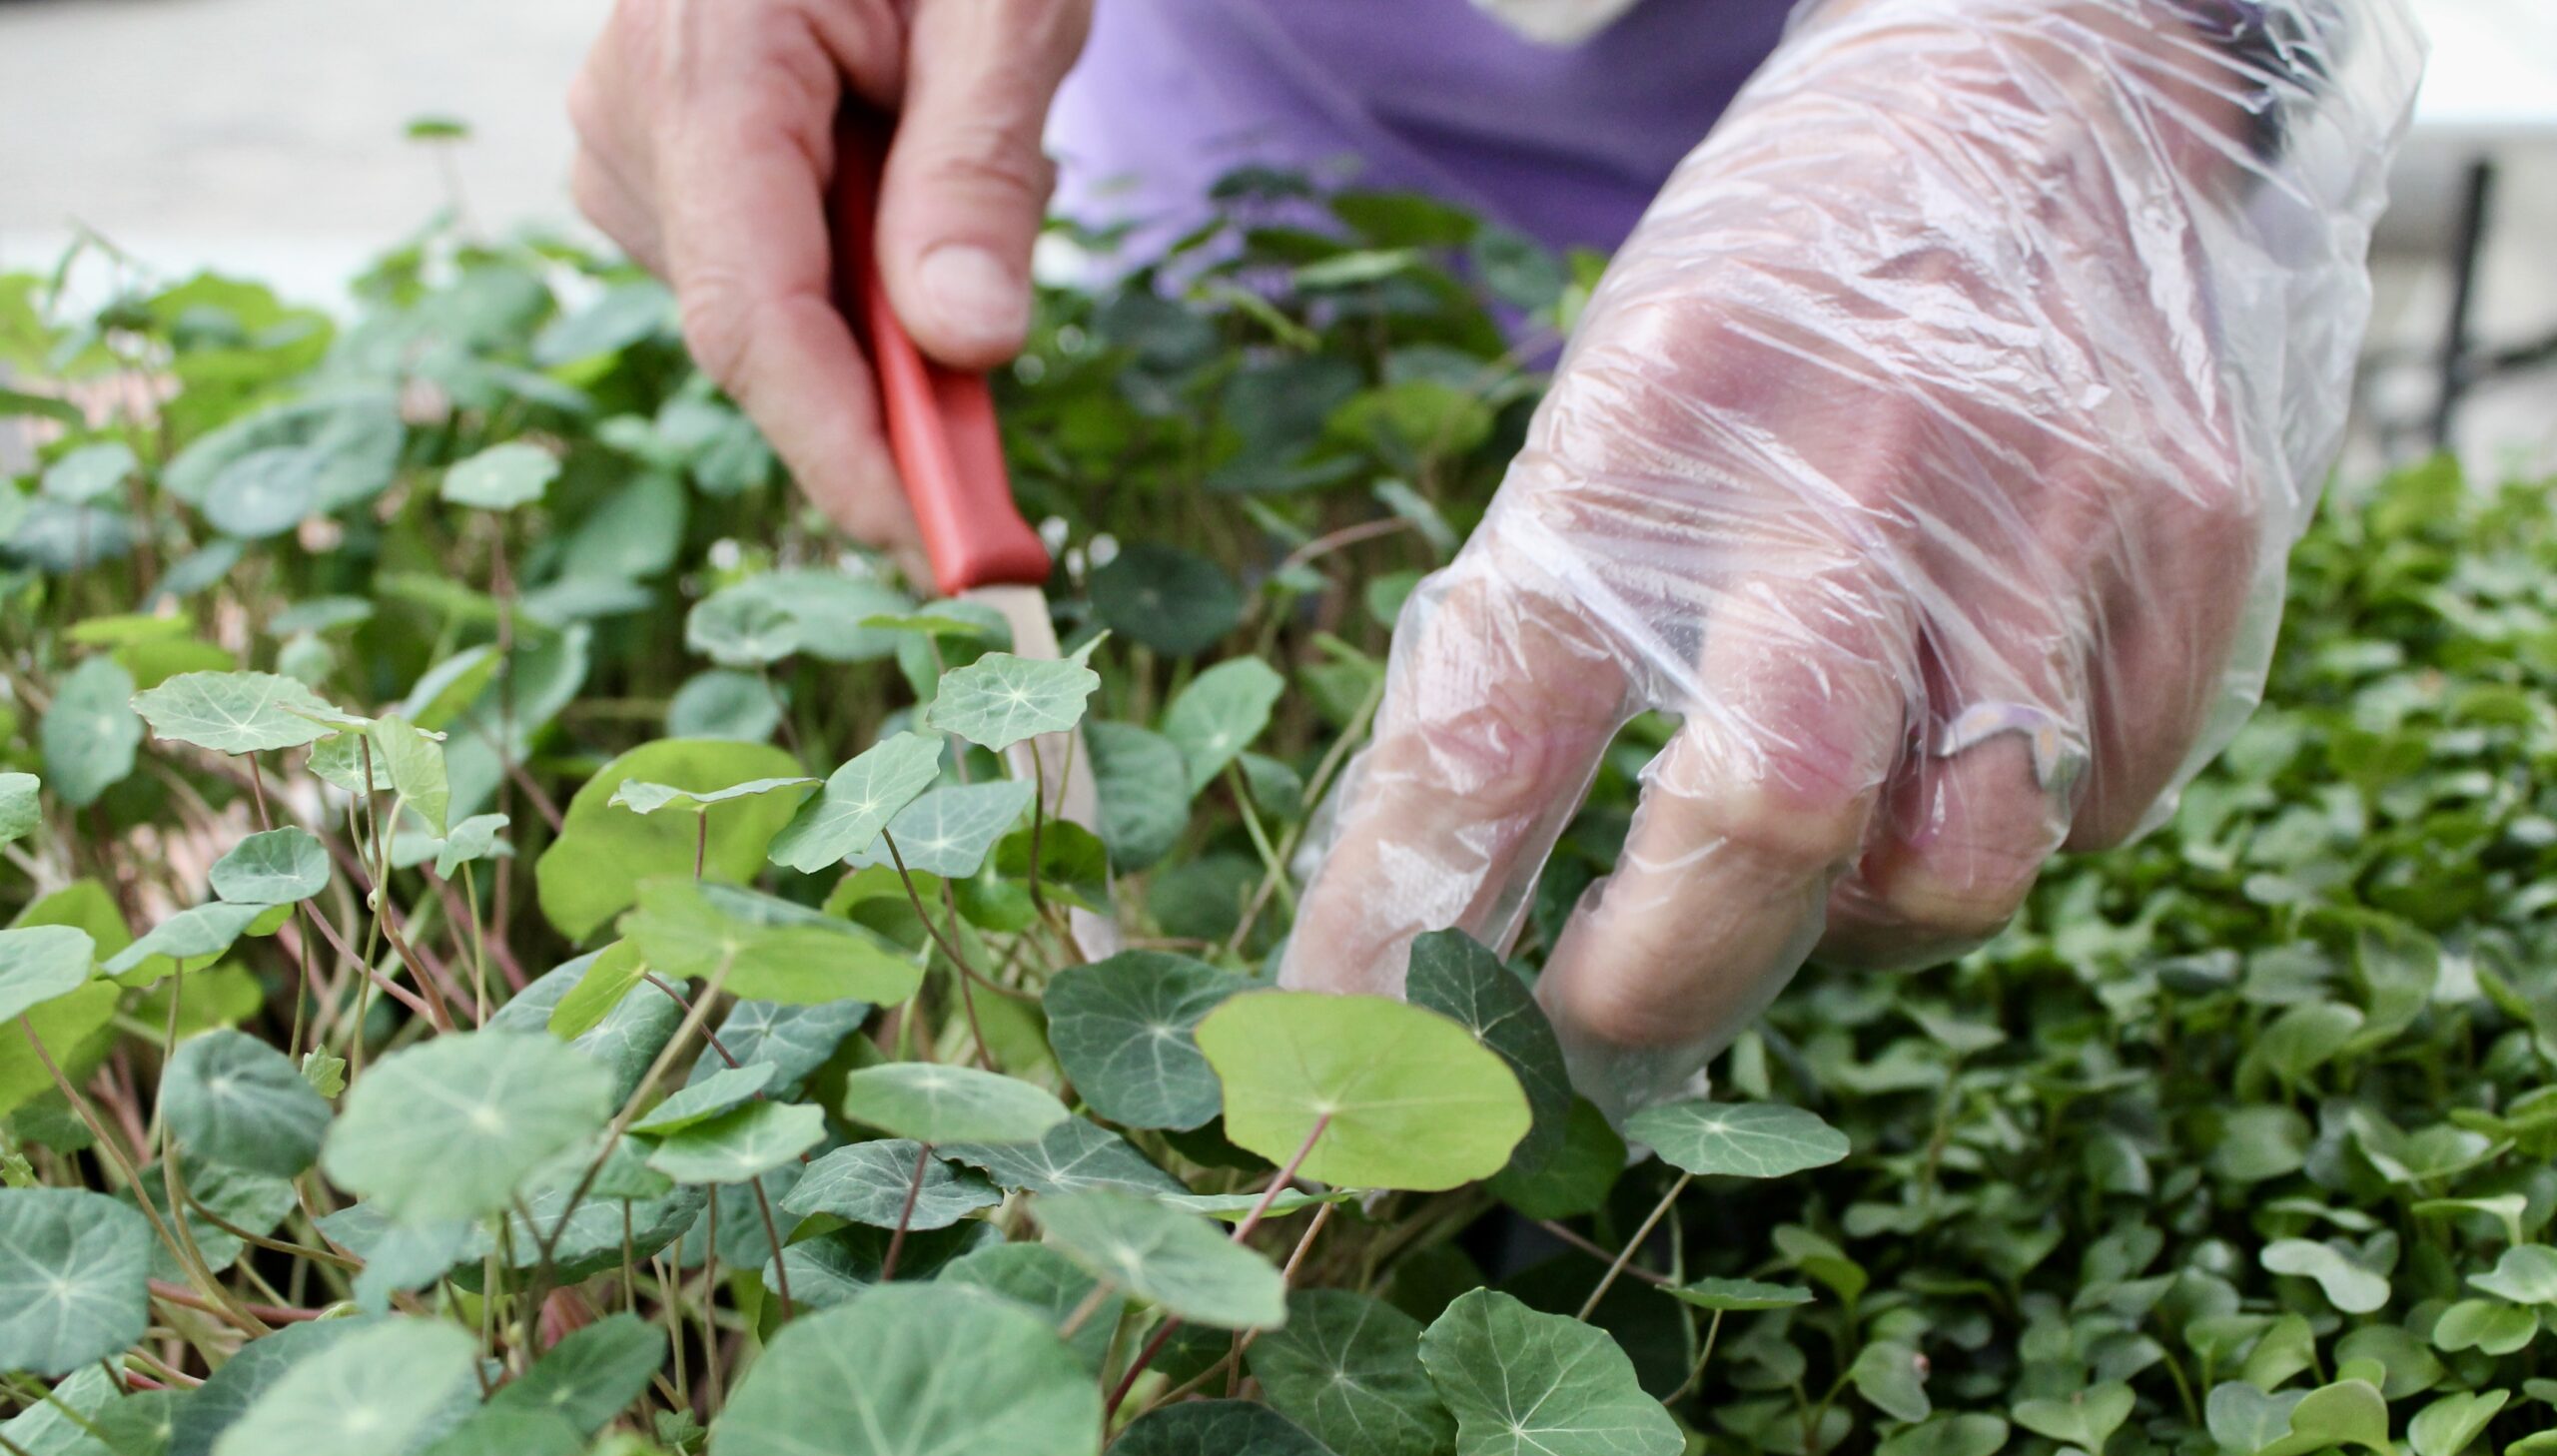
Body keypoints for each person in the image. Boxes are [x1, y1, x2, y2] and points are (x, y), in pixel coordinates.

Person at [569, 0, 2425, 1109]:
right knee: (1297, 436)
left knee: (1781, 704)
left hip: (1933, 95)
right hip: (1278, 109)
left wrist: (2102, 54)